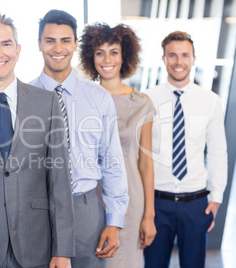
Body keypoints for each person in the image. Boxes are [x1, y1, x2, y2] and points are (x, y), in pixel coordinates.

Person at [0, 12, 75, 268]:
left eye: (5, 44)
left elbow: (59, 181)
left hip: (35, 242)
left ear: (17, 50)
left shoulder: (46, 102)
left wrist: (63, 250)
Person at [30, 10, 129, 267]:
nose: (58, 48)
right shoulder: (23, 98)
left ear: (75, 44)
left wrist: (114, 221)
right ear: (39, 44)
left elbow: (111, 160)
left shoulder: (98, 98)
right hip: (39, 211)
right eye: (50, 40)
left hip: (86, 209)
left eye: (65, 40)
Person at [143, 31, 228, 267]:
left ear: (194, 59)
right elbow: (142, 155)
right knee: (154, 264)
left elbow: (218, 151)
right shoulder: (147, 99)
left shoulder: (210, 101)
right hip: (157, 203)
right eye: (172, 55)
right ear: (163, 59)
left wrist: (217, 197)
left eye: (184, 55)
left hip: (196, 203)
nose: (178, 62)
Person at [79, 22, 157, 268]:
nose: (107, 59)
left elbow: (145, 163)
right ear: (91, 58)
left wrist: (149, 215)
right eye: (100, 52)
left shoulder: (142, 103)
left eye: (114, 51)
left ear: (125, 56)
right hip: (90, 199)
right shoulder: (81, 99)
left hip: (131, 200)